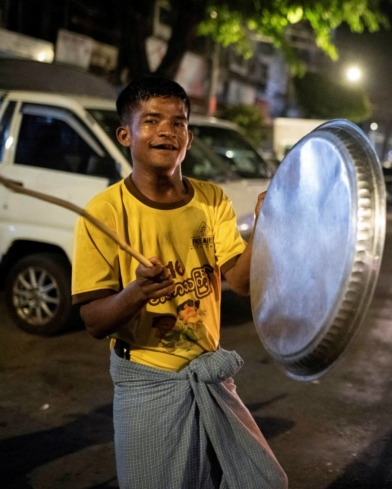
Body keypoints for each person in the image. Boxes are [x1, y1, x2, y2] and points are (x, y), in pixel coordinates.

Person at [71, 77, 287, 488]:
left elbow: (240, 283)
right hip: (147, 380)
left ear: (188, 136)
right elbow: (94, 321)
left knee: (264, 480)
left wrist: (265, 225)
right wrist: (137, 294)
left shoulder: (211, 200)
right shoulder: (104, 212)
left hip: (209, 374)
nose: (167, 130)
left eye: (179, 122)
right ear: (125, 134)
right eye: (151, 121)